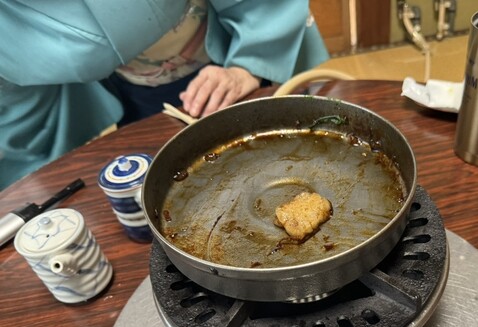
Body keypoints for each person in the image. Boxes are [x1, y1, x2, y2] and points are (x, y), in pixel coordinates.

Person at [0, 0, 329, 190]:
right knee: (181, 181)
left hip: (234, 50)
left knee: (303, 158)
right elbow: (18, 89)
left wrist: (249, 64)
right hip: (127, 91)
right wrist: (30, 176)